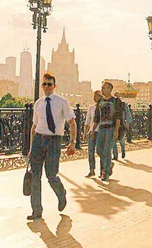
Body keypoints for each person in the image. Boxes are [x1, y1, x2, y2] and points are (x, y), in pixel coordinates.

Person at [28, 72, 76, 221]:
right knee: (35, 176)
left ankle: (61, 194)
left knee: (51, 175)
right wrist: (30, 147)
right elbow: (34, 126)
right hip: (38, 140)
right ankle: (36, 211)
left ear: (54, 86)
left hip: (54, 141)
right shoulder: (38, 103)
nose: (46, 87)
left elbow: (72, 122)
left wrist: (72, 142)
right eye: (44, 84)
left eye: (49, 84)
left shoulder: (62, 102)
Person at [94, 81, 122, 182]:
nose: (102, 89)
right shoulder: (100, 101)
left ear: (110, 89)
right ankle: (109, 164)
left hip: (111, 128)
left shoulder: (115, 101)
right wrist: (92, 130)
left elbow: (118, 117)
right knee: (99, 150)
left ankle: (105, 172)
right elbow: (96, 117)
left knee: (107, 150)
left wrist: (116, 131)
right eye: (102, 88)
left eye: (104, 88)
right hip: (101, 128)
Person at [84, 89, 102, 177]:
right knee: (90, 151)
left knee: (100, 151)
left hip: (100, 131)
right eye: (93, 96)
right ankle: (92, 170)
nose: (94, 98)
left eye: (96, 96)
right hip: (91, 132)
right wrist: (85, 132)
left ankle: (103, 170)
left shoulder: (103, 107)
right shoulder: (91, 108)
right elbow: (87, 121)